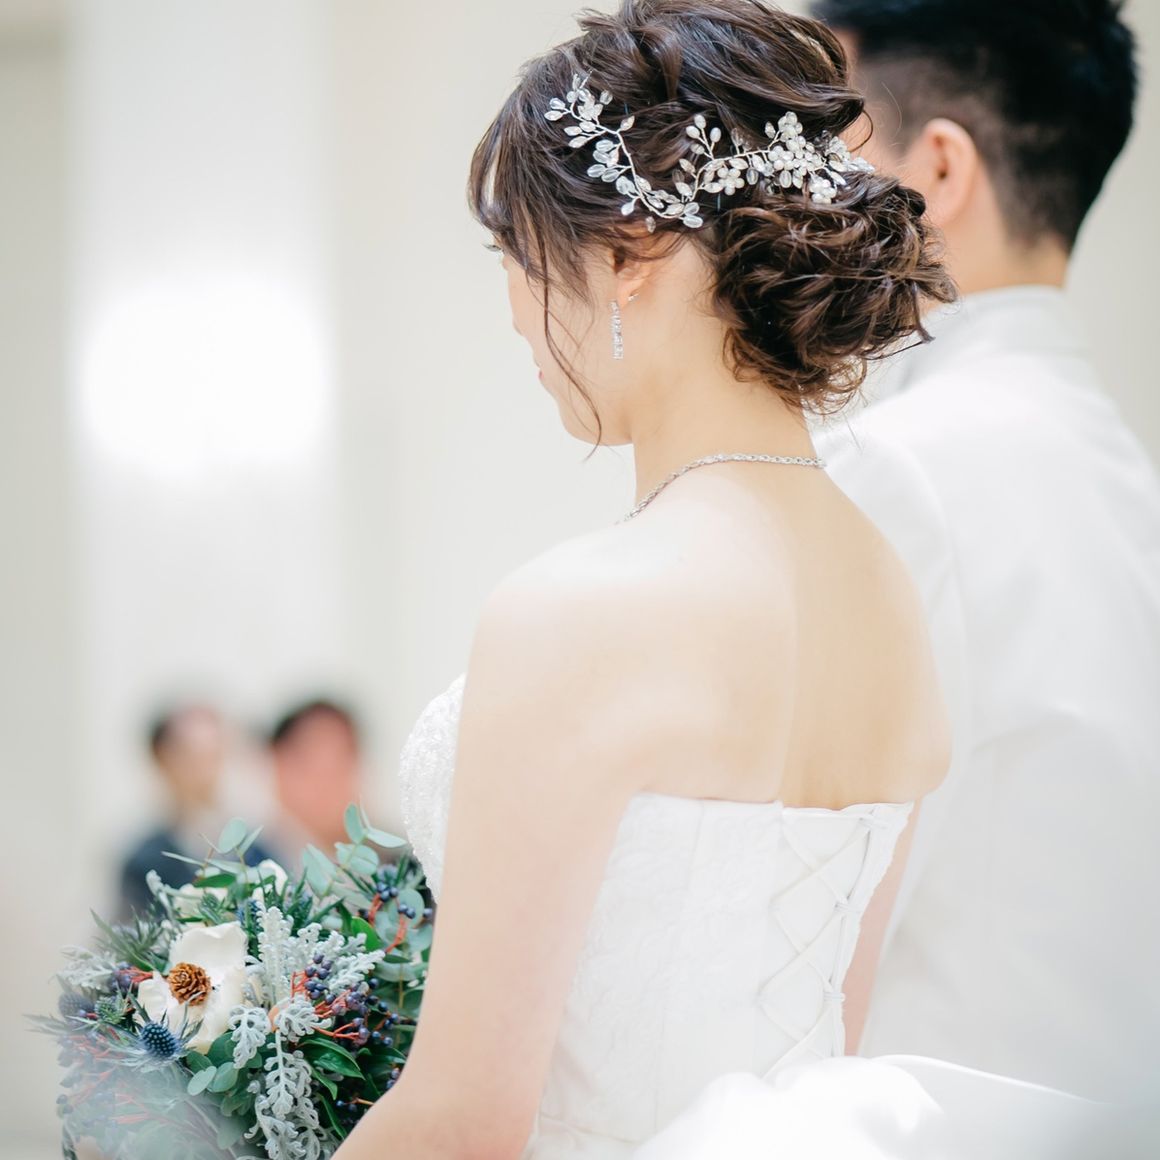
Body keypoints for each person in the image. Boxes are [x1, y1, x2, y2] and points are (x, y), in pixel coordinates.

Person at [330, 2, 1142, 1156]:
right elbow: (826, 1059)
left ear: (628, 249)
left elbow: (461, 1119)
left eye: (516, 246)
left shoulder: (570, 616)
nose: (511, 303)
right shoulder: (892, 605)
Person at [808, 0, 1160, 1103]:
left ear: (940, 169)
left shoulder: (894, 466)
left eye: (832, 139)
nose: (801, 187)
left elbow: (814, 919)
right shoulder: (1128, 475)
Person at [119, 702, 268, 916]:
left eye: (214, 755)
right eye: (191, 756)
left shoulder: (254, 849)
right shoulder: (144, 861)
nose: (205, 771)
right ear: (163, 760)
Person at [264, 697, 364, 866]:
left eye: (338, 766)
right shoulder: (246, 870)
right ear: (279, 767)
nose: (327, 786)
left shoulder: (396, 865)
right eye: (313, 766)